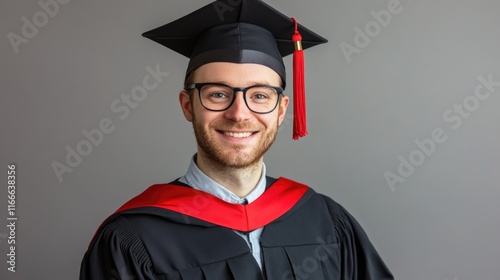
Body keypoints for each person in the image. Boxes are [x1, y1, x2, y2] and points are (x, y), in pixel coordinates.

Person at [80, 0, 394, 279]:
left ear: (282, 110)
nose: (239, 113)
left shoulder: (327, 223)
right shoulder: (132, 238)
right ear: (188, 106)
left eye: (260, 95)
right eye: (218, 94)